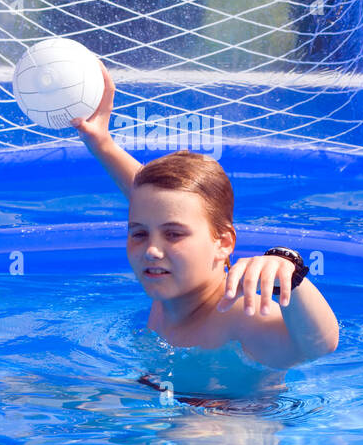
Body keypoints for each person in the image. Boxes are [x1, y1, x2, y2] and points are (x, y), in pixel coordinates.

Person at [70, 60, 339, 403]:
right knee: (22, 391)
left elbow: (318, 346)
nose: (152, 249)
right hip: (160, 399)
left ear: (223, 243)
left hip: (231, 423)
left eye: (174, 235)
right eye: (138, 234)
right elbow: (157, 206)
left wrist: (292, 275)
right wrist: (103, 145)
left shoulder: (240, 314)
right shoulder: (171, 286)